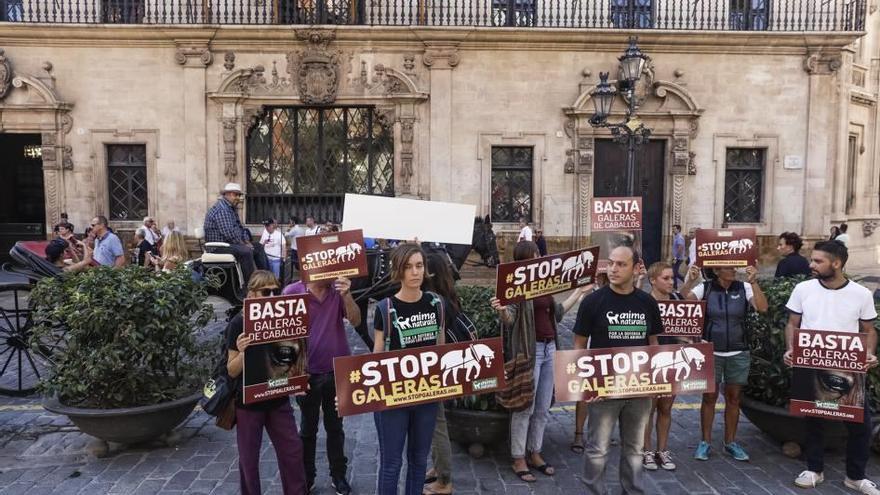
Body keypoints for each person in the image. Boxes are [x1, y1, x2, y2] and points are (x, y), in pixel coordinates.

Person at [782, 241, 879, 493]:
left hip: (847, 368)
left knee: (861, 424)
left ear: (836, 263)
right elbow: (792, 323)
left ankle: (855, 477)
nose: (811, 265)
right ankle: (814, 469)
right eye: (811, 260)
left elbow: (869, 330)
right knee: (814, 420)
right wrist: (790, 348)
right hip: (811, 363)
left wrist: (869, 354)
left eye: (817, 261)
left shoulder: (861, 294)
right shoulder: (803, 288)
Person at [490, 241, 589, 483]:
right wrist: (502, 310)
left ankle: (535, 452)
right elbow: (510, 319)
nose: (539, 258)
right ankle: (518, 457)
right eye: (534, 255)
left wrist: (579, 292)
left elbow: (557, 312)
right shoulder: (516, 285)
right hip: (528, 350)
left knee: (543, 407)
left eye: (539, 254)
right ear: (525, 259)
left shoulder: (545, 285)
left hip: (550, 347)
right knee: (525, 406)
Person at [573, 245, 662, 495]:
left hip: (638, 390)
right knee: (598, 449)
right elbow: (580, 344)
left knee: (634, 449)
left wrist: (657, 384)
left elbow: (653, 343)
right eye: (611, 263)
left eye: (621, 264)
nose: (613, 268)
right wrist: (586, 384)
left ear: (636, 269)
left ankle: (632, 490)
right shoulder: (593, 301)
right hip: (603, 391)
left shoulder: (647, 302)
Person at [372, 243, 446, 495]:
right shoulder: (385, 308)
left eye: (419, 266)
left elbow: (441, 349)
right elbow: (377, 358)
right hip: (393, 399)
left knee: (418, 462)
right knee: (391, 464)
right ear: (398, 271)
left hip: (426, 397)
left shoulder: (436, 304)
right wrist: (352, 395)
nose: (415, 272)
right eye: (408, 267)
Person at [225, 271, 307, 495]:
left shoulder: (283, 318)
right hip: (249, 403)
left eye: (275, 291)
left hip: (278, 398)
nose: (272, 295)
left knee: (292, 451)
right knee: (249, 461)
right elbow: (231, 371)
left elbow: (291, 355)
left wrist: (298, 380)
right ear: (251, 294)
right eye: (265, 291)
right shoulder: (238, 323)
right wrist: (243, 352)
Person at [281, 275, 360, 495]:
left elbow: (355, 320)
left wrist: (347, 295)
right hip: (307, 373)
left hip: (337, 371)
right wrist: (293, 372)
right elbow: (282, 335)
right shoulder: (291, 292)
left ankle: (338, 475)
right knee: (308, 428)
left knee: (335, 427)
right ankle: (307, 476)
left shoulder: (338, 290)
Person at [686, 263, 768, 462]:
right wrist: (689, 280)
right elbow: (682, 306)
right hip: (710, 350)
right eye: (729, 268)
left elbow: (763, 308)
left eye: (734, 268)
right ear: (716, 271)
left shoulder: (744, 287)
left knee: (733, 398)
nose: (734, 271)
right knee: (709, 398)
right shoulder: (704, 288)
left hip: (738, 351)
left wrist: (754, 282)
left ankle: (730, 442)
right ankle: (705, 442)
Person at [642, 262, 700, 472]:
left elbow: (688, 322)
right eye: (665, 278)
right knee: (648, 409)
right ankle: (647, 450)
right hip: (651, 361)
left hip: (673, 360)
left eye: (671, 278)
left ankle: (662, 450)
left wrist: (688, 340)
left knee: (666, 408)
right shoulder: (644, 302)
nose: (670, 282)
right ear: (653, 280)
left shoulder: (676, 299)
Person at [421, 253, 464, 495]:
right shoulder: (447, 297)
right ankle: (438, 469)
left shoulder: (435, 302)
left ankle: (445, 481)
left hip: (437, 369)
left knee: (437, 425)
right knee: (436, 423)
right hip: (445, 367)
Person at [571, 261, 610, 453]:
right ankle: (579, 434)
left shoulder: (620, 291)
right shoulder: (592, 296)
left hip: (613, 351)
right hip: (593, 349)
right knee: (585, 394)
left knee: (608, 395)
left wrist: (640, 278)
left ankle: (603, 432)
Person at [203, 183, 256, 284]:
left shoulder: (231, 208)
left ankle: (265, 282)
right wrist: (244, 244)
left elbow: (240, 228)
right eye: (236, 195)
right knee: (246, 251)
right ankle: (251, 286)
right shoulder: (222, 209)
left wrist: (246, 240)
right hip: (217, 247)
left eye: (239, 195)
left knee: (258, 247)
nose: (238, 198)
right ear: (228, 194)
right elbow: (229, 233)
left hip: (228, 244)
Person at [671, 224, 686, 289]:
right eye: (673, 229)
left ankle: (684, 281)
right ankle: (675, 286)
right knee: (674, 272)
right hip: (676, 257)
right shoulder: (676, 237)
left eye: (674, 229)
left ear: (678, 230)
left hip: (678, 258)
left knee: (674, 272)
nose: (673, 230)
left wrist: (675, 257)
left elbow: (680, 248)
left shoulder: (679, 237)